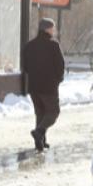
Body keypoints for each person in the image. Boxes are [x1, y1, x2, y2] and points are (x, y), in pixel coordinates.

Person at [23, 17, 65, 151]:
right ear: (47, 29)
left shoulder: (29, 46)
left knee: (40, 113)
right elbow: (60, 65)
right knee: (53, 112)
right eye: (53, 28)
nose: (54, 31)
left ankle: (39, 142)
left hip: (34, 86)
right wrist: (58, 79)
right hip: (49, 86)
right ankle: (39, 132)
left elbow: (25, 67)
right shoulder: (53, 45)